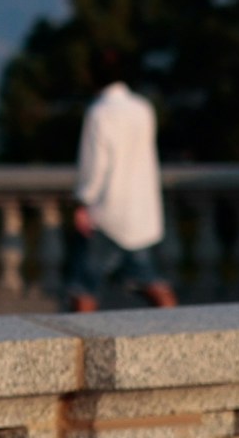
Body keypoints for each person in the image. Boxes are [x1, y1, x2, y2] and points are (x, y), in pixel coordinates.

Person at [71, 72, 176, 312]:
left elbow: (95, 166)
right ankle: (179, 325)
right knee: (149, 280)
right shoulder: (143, 108)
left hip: (107, 213)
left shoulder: (99, 112)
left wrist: (83, 202)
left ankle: (79, 335)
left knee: (84, 286)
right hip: (140, 212)